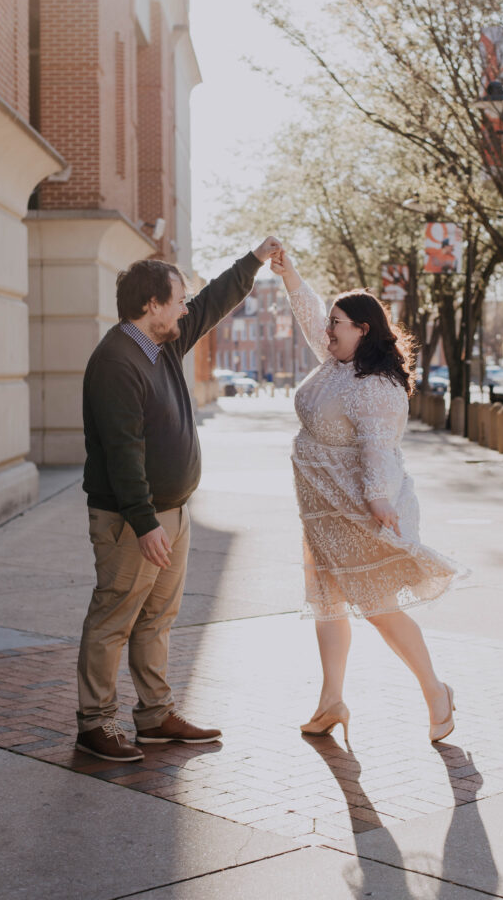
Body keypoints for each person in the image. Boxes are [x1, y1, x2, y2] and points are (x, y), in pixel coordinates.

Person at [76, 237, 281, 762]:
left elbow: (213, 301)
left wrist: (254, 260)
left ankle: (154, 716)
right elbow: (123, 452)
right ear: (151, 305)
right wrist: (145, 523)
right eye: (178, 299)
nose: (186, 308)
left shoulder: (162, 343)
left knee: (157, 618)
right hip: (132, 520)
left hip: (173, 511)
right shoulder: (117, 361)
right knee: (113, 617)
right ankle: (94, 723)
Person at [270, 250, 467, 744]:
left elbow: (379, 447)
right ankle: (331, 701)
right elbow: (313, 315)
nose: (328, 331)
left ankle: (435, 691)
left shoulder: (376, 385)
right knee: (328, 605)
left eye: (337, 325)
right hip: (321, 512)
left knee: (377, 606)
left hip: (356, 511)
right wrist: (291, 274)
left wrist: (381, 501)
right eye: (331, 324)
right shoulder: (338, 362)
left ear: (361, 328)